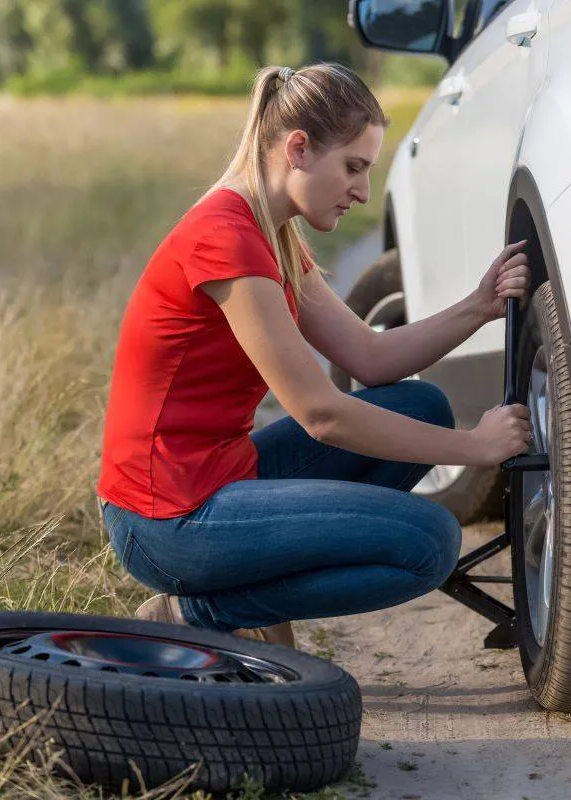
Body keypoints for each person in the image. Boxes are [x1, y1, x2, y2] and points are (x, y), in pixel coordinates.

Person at [97, 63, 532, 649]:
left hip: (222, 478)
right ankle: (198, 611)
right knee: (427, 541)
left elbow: (372, 358)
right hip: (165, 520)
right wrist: (472, 448)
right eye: (353, 167)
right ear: (298, 148)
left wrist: (478, 306)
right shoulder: (224, 236)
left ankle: (243, 598)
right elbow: (320, 415)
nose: (362, 191)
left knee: (422, 403)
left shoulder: (271, 234)